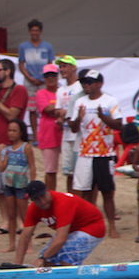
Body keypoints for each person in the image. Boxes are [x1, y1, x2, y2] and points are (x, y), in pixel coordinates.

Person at [68, 69, 122, 238]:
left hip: (104, 153)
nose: (86, 85)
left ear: (100, 83)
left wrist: (103, 117)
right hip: (85, 153)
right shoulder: (80, 102)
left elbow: (119, 125)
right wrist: (79, 117)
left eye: (90, 82)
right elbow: (74, 128)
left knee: (107, 192)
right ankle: (87, 225)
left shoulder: (110, 100)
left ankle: (112, 227)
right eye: (84, 82)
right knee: (83, 192)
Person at [0, 58, 29, 241]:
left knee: (13, 184)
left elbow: (12, 114)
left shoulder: (19, 90)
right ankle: (5, 221)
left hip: (12, 143)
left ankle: (18, 222)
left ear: (7, 71)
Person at [14, 180, 106, 267]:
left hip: (92, 226)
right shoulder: (33, 209)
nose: (42, 201)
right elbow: (25, 236)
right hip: (70, 230)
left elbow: (62, 237)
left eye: (43, 196)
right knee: (48, 262)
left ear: (47, 191)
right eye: (37, 199)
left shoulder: (62, 202)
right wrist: (17, 265)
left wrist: (41, 258)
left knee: (65, 259)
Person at [0, 119, 36, 253]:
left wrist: (32, 185)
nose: (11, 133)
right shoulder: (8, 150)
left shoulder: (26, 147)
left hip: (22, 185)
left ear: (21, 132)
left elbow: (32, 166)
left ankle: (28, 245)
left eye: (14, 130)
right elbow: (2, 168)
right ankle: (12, 244)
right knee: (11, 214)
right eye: (9, 130)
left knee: (25, 216)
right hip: (9, 185)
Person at [17, 20, 55, 137]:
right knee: (32, 109)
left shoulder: (47, 46)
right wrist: (29, 77)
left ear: (41, 31)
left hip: (44, 81)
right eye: (32, 30)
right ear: (29, 31)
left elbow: (50, 64)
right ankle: (35, 135)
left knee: (46, 108)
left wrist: (45, 78)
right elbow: (21, 64)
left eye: (37, 30)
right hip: (30, 82)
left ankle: (47, 134)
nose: (34, 33)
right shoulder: (23, 46)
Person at [54, 55, 84, 195]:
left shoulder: (81, 86)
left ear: (74, 67)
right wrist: (66, 113)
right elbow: (57, 111)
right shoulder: (61, 89)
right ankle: (72, 200)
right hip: (66, 135)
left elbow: (80, 108)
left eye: (65, 66)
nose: (62, 69)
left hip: (80, 134)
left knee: (81, 170)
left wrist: (65, 113)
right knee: (69, 172)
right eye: (60, 66)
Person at [35, 64, 62, 190]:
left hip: (65, 132)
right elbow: (48, 109)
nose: (50, 78)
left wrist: (57, 110)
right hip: (49, 134)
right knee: (50, 170)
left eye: (53, 75)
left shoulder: (63, 91)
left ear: (57, 76)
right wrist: (63, 110)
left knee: (71, 170)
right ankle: (51, 196)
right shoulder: (41, 93)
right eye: (47, 76)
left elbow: (52, 110)